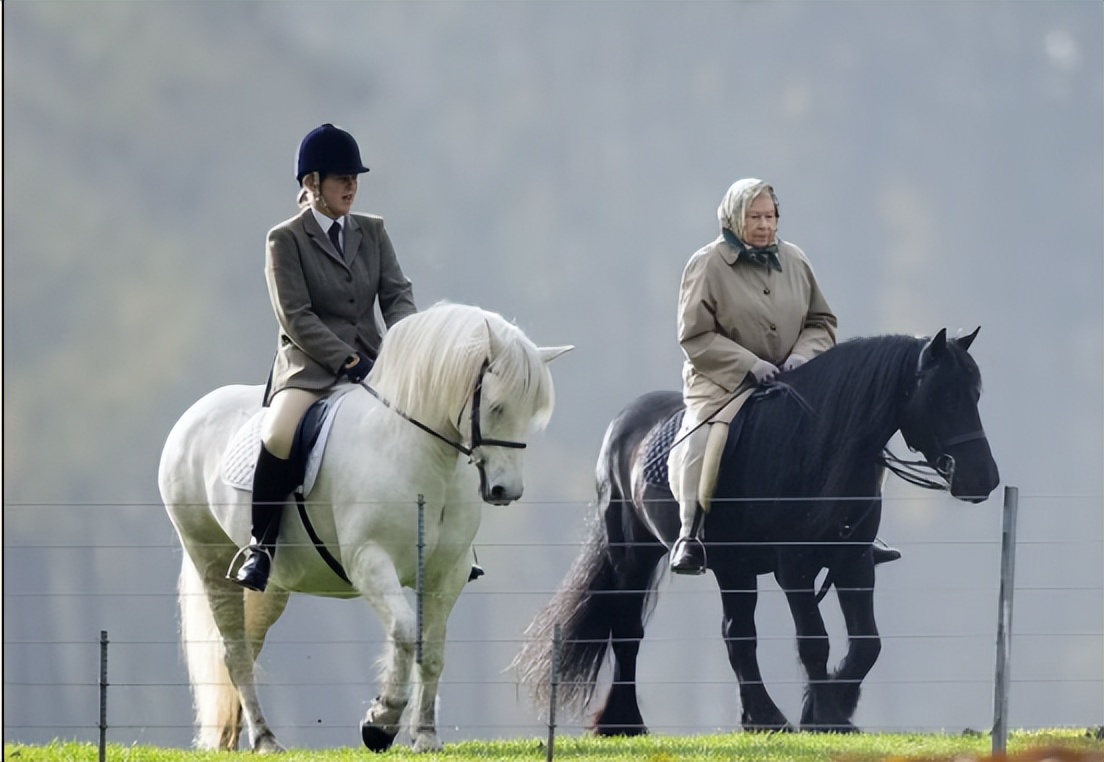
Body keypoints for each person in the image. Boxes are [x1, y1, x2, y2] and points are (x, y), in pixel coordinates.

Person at [668, 178, 900, 574]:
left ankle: (860, 531)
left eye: (770, 216)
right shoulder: (706, 264)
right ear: (734, 218)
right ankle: (691, 532)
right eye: (754, 216)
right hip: (724, 383)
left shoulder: (795, 259)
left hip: (797, 379)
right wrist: (749, 364)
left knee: (860, 431)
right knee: (707, 436)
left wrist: (802, 356)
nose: (763, 225)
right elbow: (695, 335)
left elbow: (821, 320)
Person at [228, 123, 417, 592]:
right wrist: (348, 361)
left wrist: (410, 343)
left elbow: (396, 296)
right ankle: (262, 546)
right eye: (340, 178)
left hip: (376, 359)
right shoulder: (285, 240)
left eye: (354, 178)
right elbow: (296, 317)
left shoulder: (372, 231)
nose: (351, 186)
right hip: (308, 367)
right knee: (280, 432)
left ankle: (450, 543)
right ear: (311, 184)